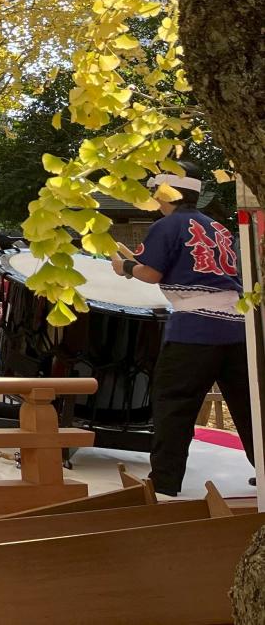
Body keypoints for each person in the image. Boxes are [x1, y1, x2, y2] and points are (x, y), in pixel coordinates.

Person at [115, 169, 254, 497]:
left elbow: (151, 272)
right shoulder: (217, 227)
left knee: (173, 404)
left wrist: (126, 267)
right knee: (249, 406)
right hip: (238, 326)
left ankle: (164, 483)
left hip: (195, 328)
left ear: (166, 193)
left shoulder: (167, 225)